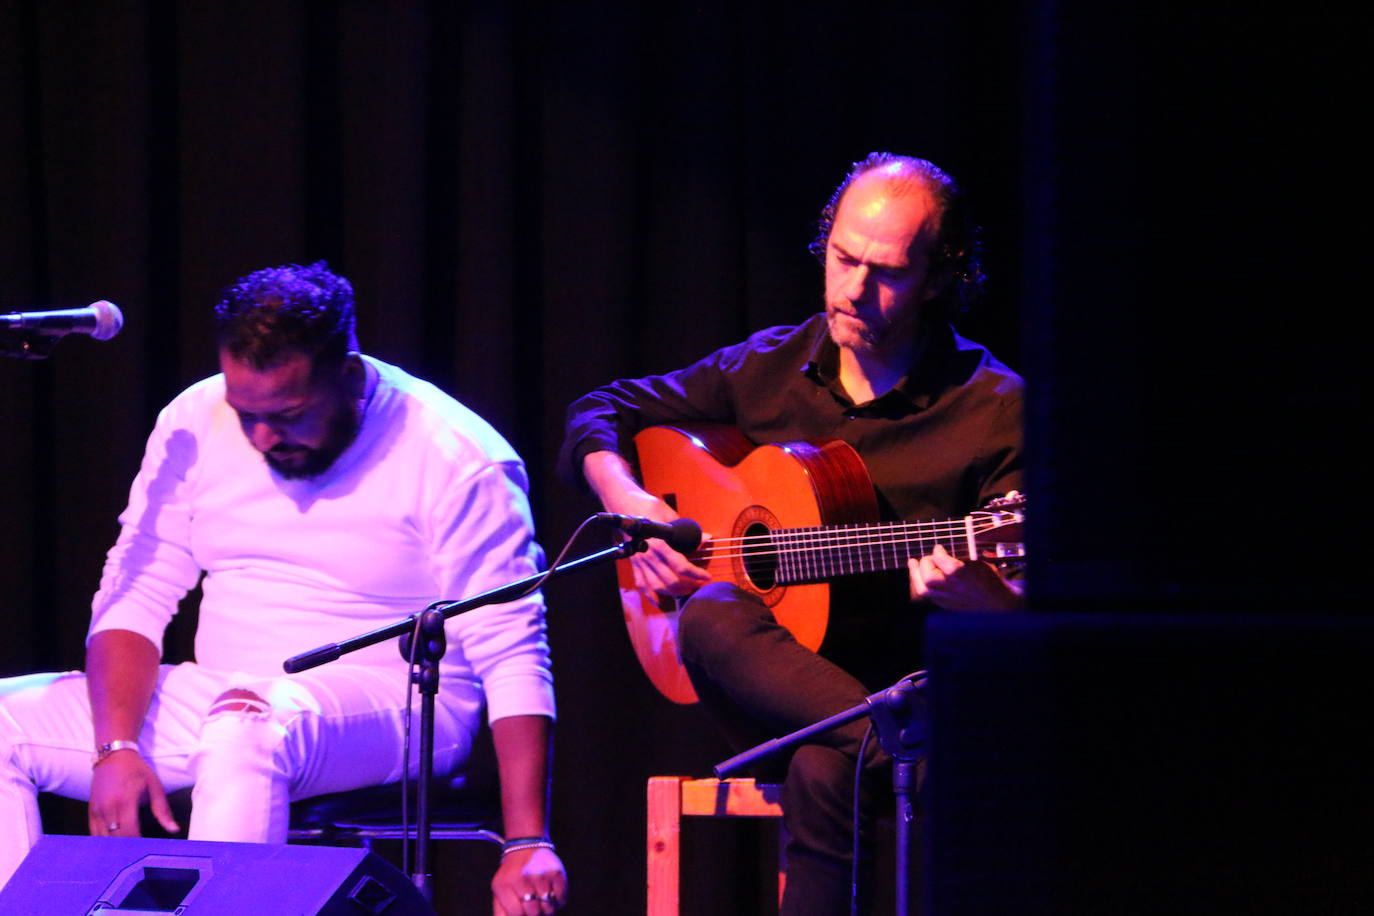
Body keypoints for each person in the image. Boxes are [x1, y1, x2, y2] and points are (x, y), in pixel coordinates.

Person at [0, 262, 567, 914]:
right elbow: (138, 588)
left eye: (291, 414)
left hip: (402, 706)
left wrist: (527, 839)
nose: (265, 437)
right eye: (248, 415)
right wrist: (116, 746)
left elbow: (513, 647)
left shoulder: (457, 456)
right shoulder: (195, 418)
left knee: (245, 727)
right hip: (229, 695)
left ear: (348, 375)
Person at [560, 153, 1023, 914]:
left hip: (921, 692)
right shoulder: (769, 367)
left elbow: (1044, 624)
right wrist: (632, 505)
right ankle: (900, 754)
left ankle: (880, 743)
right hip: (775, 679)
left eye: (887, 272)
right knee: (708, 615)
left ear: (939, 279)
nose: (852, 290)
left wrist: (985, 601)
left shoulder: (995, 408)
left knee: (820, 767)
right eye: (842, 258)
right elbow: (598, 409)